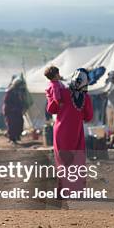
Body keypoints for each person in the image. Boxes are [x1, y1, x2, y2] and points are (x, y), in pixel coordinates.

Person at [46, 68, 95, 196]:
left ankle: (61, 190)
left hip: (60, 131)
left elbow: (51, 109)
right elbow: (89, 117)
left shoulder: (61, 92)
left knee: (62, 160)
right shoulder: (86, 97)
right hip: (76, 132)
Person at [3, 78, 31, 144]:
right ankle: (12, 138)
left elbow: (21, 100)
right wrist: (13, 108)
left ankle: (17, 136)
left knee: (20, 123)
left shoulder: (20, 91)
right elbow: (7, 101)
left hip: (17, 111)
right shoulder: (10, 92)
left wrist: (23, 106)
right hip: (10, 111)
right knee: (12, 125)